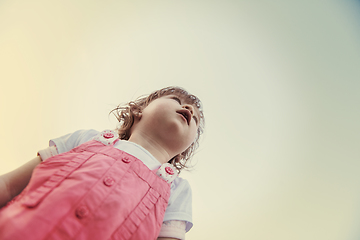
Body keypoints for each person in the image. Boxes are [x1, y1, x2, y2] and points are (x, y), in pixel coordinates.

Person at [0, 86, 204, 240]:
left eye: (195, 117)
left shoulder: (177, 190)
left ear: (184, 150)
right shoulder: (86, 139)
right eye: (176, 100)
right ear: (139, 110)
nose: (188, 109)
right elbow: (9, 186)